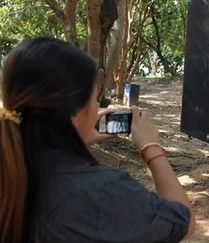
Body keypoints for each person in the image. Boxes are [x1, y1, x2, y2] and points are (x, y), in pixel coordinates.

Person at [0, 37, 195, 243]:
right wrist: (152, 148)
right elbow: (183, 223)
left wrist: (74, 139)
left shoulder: (11, 171)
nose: (98, 107)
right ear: (74, 114)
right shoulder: (101, 191)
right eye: (95, 99)